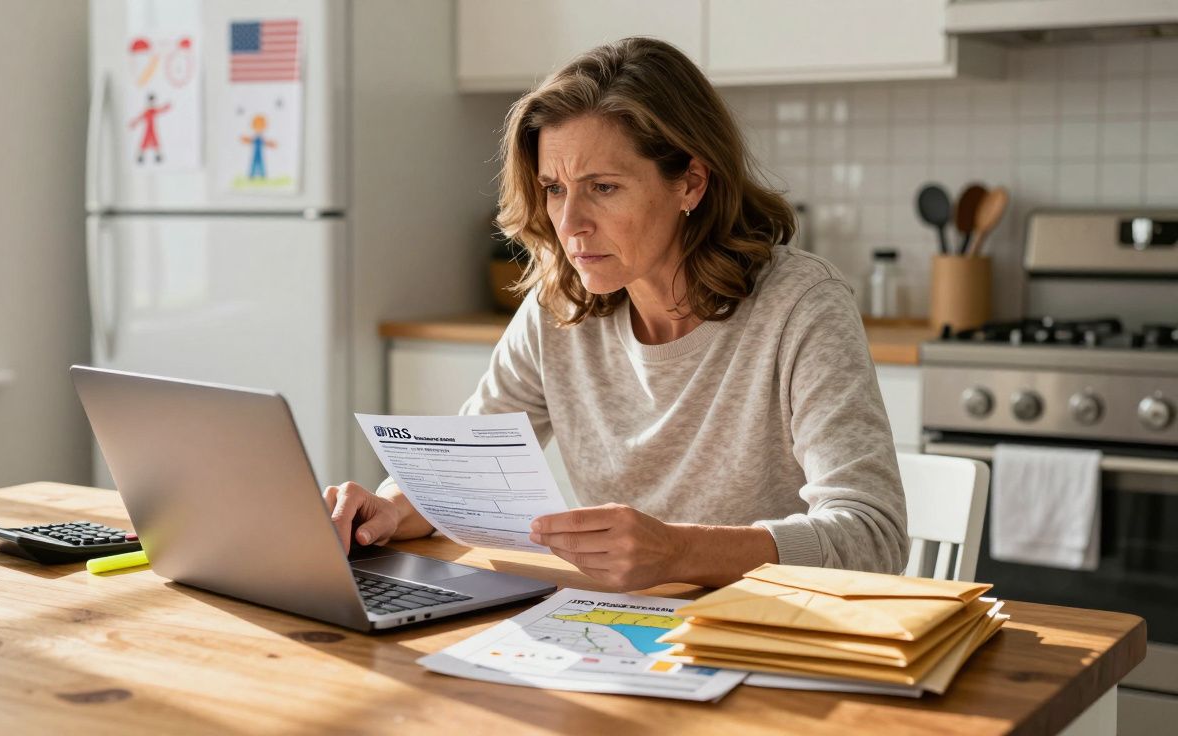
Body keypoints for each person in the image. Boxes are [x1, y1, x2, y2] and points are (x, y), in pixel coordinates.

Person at [328, 37, 909, 591]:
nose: (570, 224)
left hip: (768, 632)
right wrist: (389, 508)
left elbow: (873, 539)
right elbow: (466, 476)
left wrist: (679, 552)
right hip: (619, 625)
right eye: (555, 188)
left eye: (603, 187)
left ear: (691, 183)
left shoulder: (801, 304)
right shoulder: (560, 306)